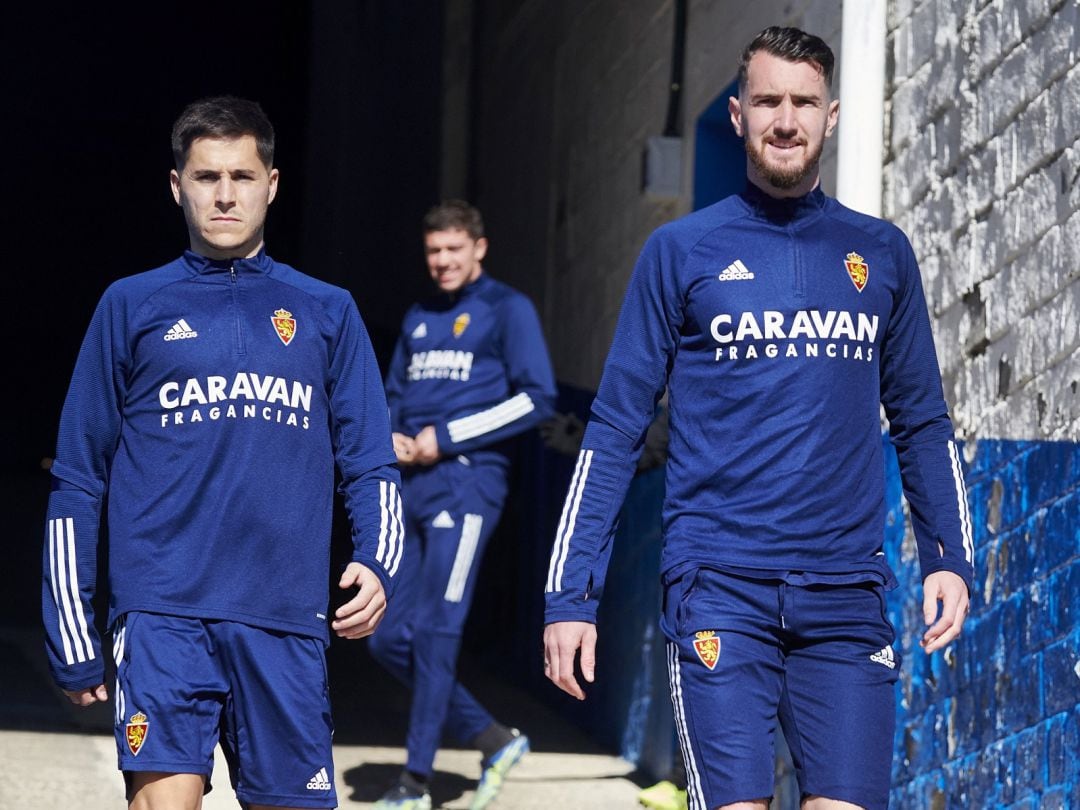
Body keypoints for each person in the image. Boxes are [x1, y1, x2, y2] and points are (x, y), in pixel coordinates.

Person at [542, 26, 974, 810]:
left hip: (846, 596)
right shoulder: (680, 252)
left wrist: (949, 554)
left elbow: (921, 421)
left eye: (803, 102)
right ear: (737, 114)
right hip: (718, 588)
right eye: (768, 100)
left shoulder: (880, 253)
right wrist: (571, 598)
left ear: (831, 115)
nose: (786, 119)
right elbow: (613, 429)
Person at [41, 96, 403, 810]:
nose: (226, 194)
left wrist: (380, 559)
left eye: (242, 175)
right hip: (161, 611)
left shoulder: (328, 310)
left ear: (272, 182)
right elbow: (78, 477)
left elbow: (370, 460)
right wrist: (70, 622)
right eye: (207, 177)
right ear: (177, 186)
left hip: (284, 618)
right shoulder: (130, 305)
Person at [369, 200, 557, 810]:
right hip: (413, 488)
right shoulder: (420, 316)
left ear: (479, 248)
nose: (443, 261)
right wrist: (390, 437)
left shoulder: (509, 309)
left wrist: (446, 439)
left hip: (468, 486)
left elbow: (538, 400)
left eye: (454, 249)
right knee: (388, 635)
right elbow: (392, 395)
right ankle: (492, 737)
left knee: (437, 632)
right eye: (433, 251)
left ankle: (415, 783)